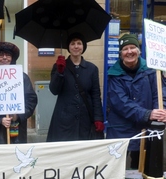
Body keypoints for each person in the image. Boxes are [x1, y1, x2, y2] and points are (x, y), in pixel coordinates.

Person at [106, 34, 166, 169]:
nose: (129, 52)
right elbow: (121, 103)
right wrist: (148, 114)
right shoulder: (114, 75)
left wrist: (161, 112)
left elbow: (160, 94)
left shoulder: (151, 70)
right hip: (121, 130)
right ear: (121, 54)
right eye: (125, 49)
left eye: (132, 47)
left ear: (138, 51)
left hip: (146, 128)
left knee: (142, 167)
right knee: (117, 169)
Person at [46, 32, 104, 142]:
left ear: (83, 47)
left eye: (79, 43)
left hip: (85, 120)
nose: (76, 46)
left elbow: (96, 95)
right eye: (72, 43)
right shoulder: (59, 66)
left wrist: (98, 118)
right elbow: (54, 90)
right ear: (68, 47)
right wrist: (60, 72)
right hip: (64, 120)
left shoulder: (92, 69)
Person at [0, 42, 37, 144]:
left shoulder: (22, 78)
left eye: (8, 55)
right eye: (1, 55)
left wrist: (17, 115)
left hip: (17, 133)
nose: (4, 58)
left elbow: (31, 101)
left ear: (12, 58)